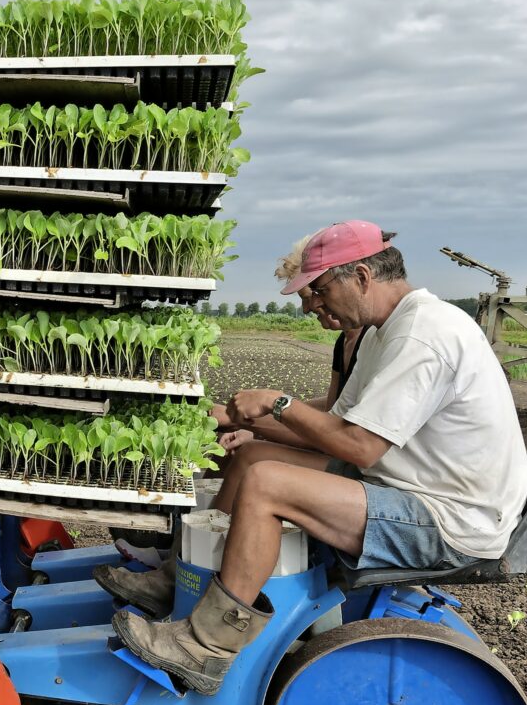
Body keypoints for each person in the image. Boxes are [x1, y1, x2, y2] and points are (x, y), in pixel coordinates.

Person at [113, 220, 527, 694]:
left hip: (447, 519)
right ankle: (179, 582)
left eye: (319, 289)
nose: (314, 303)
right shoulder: (382, 332)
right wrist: (244, 424)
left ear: (362, 277)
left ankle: (205, 648)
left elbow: (357, 445)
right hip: (408, 489)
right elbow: (335, 424)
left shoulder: (423, 336)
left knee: (267, 483)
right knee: (253, 459)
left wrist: (277, 403)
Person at [96, 228, 377, 609]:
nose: (311, 308)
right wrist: (256, 417)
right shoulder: (348, 341)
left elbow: (337, 430)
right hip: (343, 451)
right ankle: (186, 566)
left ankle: (191, 583)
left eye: (314, 294)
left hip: (359, 465)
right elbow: (330, 407)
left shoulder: (366, 338)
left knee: (252, 458)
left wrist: (251, 418)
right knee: (242, 450)